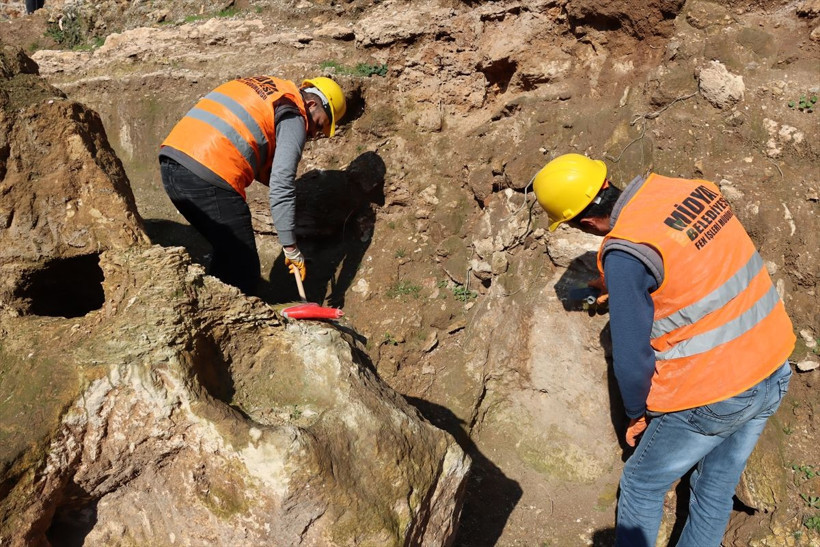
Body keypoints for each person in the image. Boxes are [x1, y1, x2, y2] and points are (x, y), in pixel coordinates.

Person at [532, 153, 795, 547]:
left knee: (641, 483)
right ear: (605, 182)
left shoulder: (625, 254)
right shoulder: (689, 190)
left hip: (716, 392)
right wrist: (625, 283)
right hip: (773, 363)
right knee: (714, 488)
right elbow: (695, 261)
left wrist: (637, 414)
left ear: (584, 223)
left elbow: (632, 357)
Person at [159, 75, 346, 295]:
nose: (313, 134)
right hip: (206, 173)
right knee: (244, 267)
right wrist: (290, 247)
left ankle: (207, 308)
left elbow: (249, 142)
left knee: (228, 255)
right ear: (312, 104)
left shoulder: (272, 87)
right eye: (318, 124)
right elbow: (281, 185)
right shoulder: (294, 114)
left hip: (172, 162)